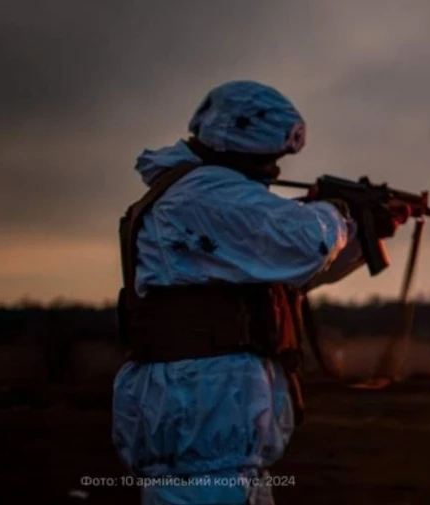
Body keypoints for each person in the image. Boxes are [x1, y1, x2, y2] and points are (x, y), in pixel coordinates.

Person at [111, 80, 395, 505]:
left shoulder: (213, 195)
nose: (276, 168)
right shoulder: (204, 193)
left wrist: (362, 232)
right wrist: (338, 211)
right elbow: (305, 244)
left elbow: (291, 272)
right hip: (199, 421)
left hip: (214, 426)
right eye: (271, 155)